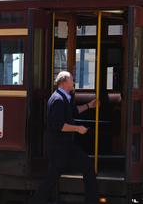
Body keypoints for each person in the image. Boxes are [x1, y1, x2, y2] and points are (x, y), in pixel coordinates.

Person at [30, 71, 99, 204]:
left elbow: (73, 111)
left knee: (85, 166)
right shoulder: (58, 100)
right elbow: (59, 126)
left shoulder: (63, 98)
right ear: (64, 82)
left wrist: (89, 105)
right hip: (59, 148)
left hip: (64, 146)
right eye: (71, 80)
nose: (73, 82)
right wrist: (78, 129)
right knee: (52, 178)